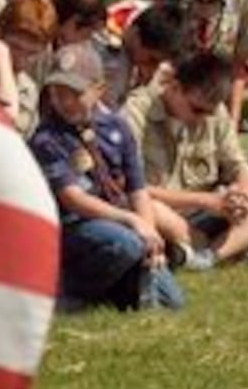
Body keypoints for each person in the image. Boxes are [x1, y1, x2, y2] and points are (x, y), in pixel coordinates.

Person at [30, 43, 185, 312]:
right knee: (124, 244)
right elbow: (73, 199)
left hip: (120, 225)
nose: (64, 101)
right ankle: (69, 291)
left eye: (74, 93)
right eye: (57, 92)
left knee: (172, 303)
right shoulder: (47, 138)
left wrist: (149, 234)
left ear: (99, 89)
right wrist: (131, 221)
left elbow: (137, 189)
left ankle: (112, 286)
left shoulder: (117, 128)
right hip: (73, 230)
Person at [124, 52, 248, 268]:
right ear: (175, 87)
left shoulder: (214, 111)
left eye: (209, 112)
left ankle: (210, 256)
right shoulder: (136, 113)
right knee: (141, 206)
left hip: (211, 212)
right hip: (168, 214)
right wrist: (204, 201)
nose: (202, 119)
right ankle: (244, 244)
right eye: (196, 109)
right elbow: (131, 187)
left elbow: (239, 166)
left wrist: (244, 197)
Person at [0, 0, 59, 137]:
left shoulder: (27, 91)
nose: (21, 58)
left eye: (31, 53)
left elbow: (10, 126)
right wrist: (0, 52)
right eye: (15, 46)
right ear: (0, 33)